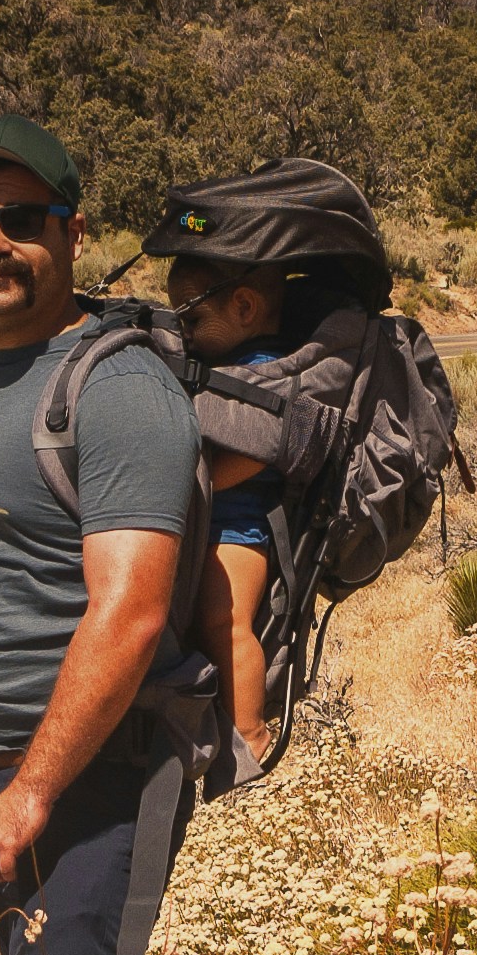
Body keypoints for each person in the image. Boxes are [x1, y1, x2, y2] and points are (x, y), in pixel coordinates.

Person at [0, 114, 201, 955]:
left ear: (73, 234)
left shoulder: (117, 392)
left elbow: (133, 609)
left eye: (22, 217)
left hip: (85, 786)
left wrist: (33, 791)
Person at [165, 254, 295, 768]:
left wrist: (198, 482)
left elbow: (260, 449)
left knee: (227, 621)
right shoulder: (222, 366)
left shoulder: (266, 370)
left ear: (243, 307)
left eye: (192, 318)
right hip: (207, 523)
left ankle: (251, 733)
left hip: (239, 529)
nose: (184, 332)